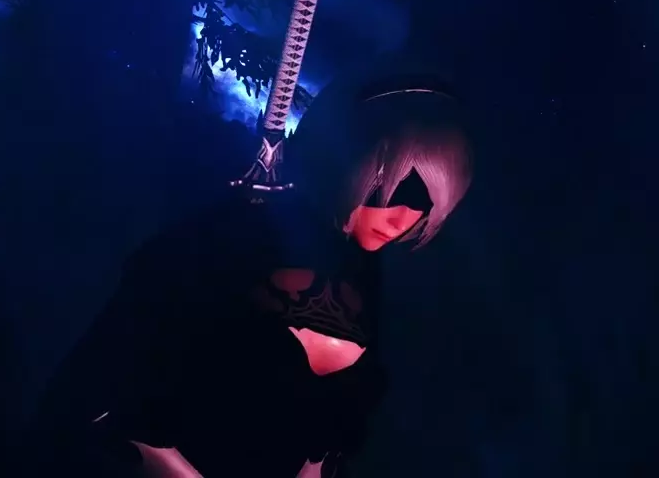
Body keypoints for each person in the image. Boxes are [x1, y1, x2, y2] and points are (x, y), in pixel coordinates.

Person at [26, 71, 474, 478]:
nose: (405, 218)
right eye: (390, 190)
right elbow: (105, 385)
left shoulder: (363, 274)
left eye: (426, 204)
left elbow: (336, 432)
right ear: (345, 161)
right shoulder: (229, 236)